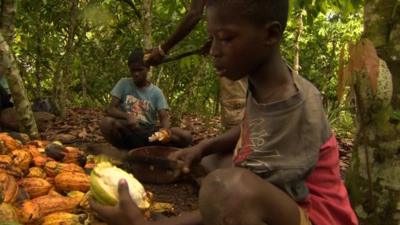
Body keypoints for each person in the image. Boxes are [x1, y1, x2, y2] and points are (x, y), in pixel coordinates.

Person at [91, 1, 359, 225]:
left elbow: (241, 199)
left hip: (314, 216)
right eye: (212, 40)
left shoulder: (293, 107)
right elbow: (250, 129)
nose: (215, 52)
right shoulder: (264, 83)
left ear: (270, 35)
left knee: (223, 189)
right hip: (281, 200)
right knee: (210, 160)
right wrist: (202, 148)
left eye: (226, 39)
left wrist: (153, 223)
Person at [145, 0, 247, 130]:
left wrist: (162, 50)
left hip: (233, 47)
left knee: (236, 111)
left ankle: (242, 147)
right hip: (252, 42)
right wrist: (212, 42)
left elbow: (194, 14)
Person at [99, 49, 192, 149]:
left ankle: (154, 148)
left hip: (149, 134)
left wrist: (165, 131)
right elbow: (111, 109)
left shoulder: (156, 92)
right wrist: (127, 116)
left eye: (140, 70)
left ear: (147, 69)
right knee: (106, 123)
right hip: (127, 130)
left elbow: (163, 116)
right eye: (133, 70)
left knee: (184, 136)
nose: (136, 74)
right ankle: (123, 150)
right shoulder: (123, 84)